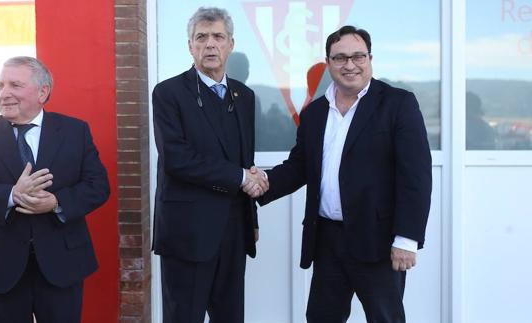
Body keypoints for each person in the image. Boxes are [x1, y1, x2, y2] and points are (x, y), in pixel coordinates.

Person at [257, 26, 432, 323]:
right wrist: (261, 182)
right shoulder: (314, 113)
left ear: (370, 58)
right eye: (340, 58)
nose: (349, 64)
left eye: (357, 56)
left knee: (386, 318)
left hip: (378, 242)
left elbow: (415, 176)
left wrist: (407, 239)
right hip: (327, 240)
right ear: (329, 63)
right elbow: (299, 166)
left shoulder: (397, 104)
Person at [0, 56, 110, 323]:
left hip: (62, 265)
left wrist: (56, 202)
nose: (4, 93)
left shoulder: (75, 131)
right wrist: (11, 195)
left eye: (15, 85)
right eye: (0, 85)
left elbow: (97, 186)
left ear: (43, 92)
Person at [151, 7, 267, 323]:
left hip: (233, 229)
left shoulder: (244, 96)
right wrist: (241, 177)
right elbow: (177, 159)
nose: (210, 44)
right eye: (201, 37)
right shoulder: (168, 93)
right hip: (186, 232)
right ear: (190, 46)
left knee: (230, 317)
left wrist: (251, 217)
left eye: (218, 36)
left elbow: (246, 161)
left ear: (230, 44)